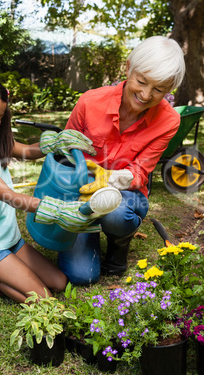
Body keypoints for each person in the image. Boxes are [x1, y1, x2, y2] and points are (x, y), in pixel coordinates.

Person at [0, 73, 101, 303]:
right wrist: (57, 210)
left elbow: (26, 151)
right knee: (43, 300)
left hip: (10, 239)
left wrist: (53, 143)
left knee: (59, 283)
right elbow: (10, 197)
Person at [57, 35, 186, 285]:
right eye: (141, 81)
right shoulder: (89, 102)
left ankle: (119, 243)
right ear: (129, 68)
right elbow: (64, 153)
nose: (146, 94)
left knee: (116, 214)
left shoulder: (169, 121)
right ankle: (88, 228)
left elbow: (140, 171)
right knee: (82, 276)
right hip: (80, 189)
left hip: (127, 194)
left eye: (159, 89)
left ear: (169, 89)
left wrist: (116, 179)